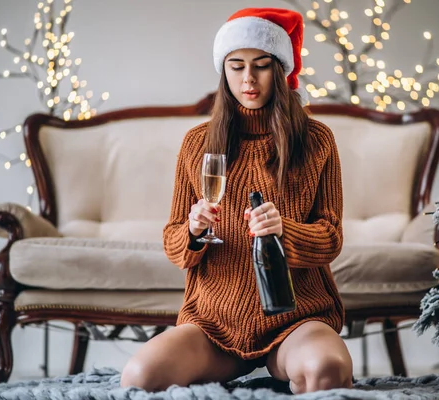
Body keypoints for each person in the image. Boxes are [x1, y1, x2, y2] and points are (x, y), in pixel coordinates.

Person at [120, 7, 352, 394]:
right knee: (140, 377)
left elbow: (331, 237)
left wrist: (285, 231)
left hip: (294, 320)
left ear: (279, 70)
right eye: (236, 66)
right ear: (223, 71)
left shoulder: (316, 140)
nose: (248, 79)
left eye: (261, 65)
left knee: (326, 369)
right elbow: (174, 241)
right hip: (212, 323)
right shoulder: (197, 143)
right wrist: (193, 231)